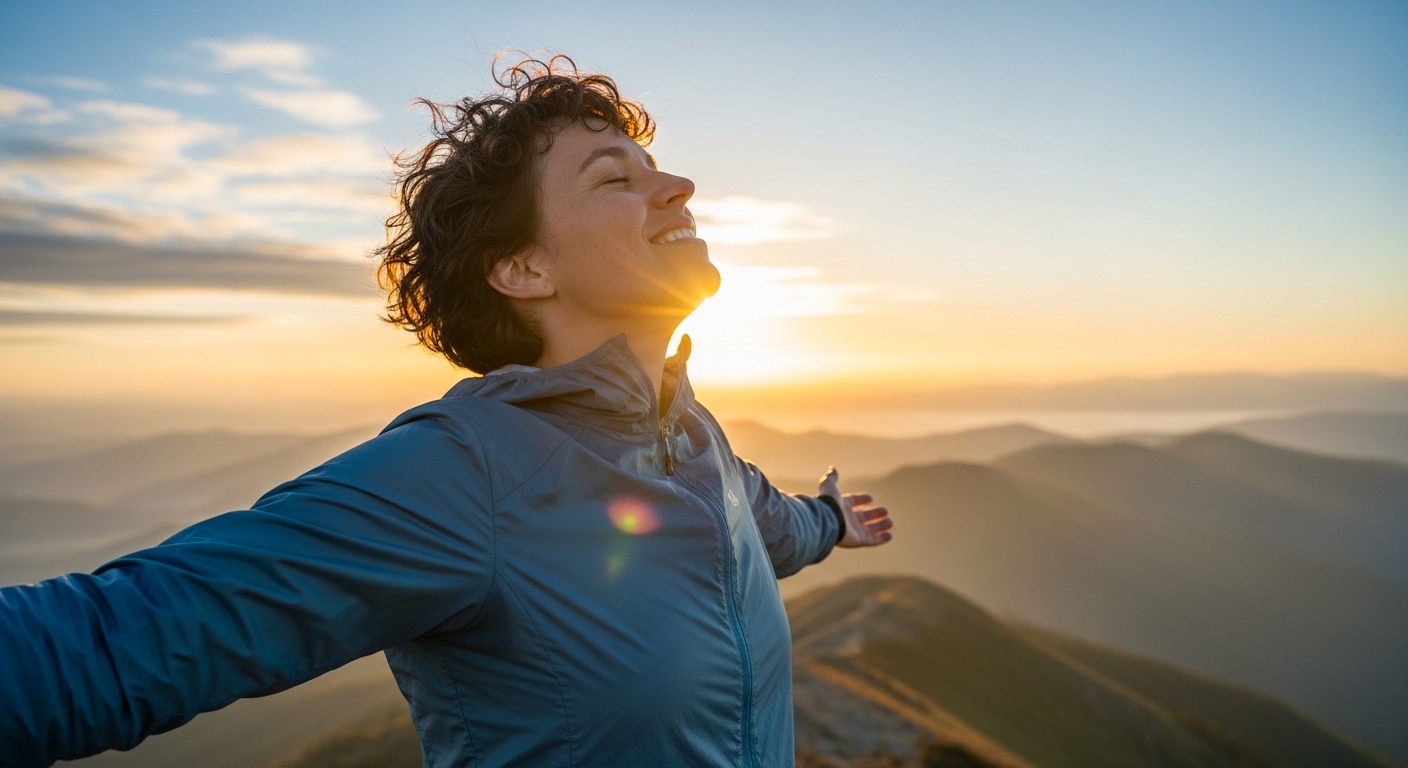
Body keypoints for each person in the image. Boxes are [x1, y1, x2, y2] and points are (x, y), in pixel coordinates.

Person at [0, 55, 893, 768]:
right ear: (524, 271)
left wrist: (828, 520)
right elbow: (122, 642)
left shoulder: (691, 437)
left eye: (654, 166)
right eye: (614, 176)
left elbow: (754, 525)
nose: (677, 186)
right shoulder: (465, 471)